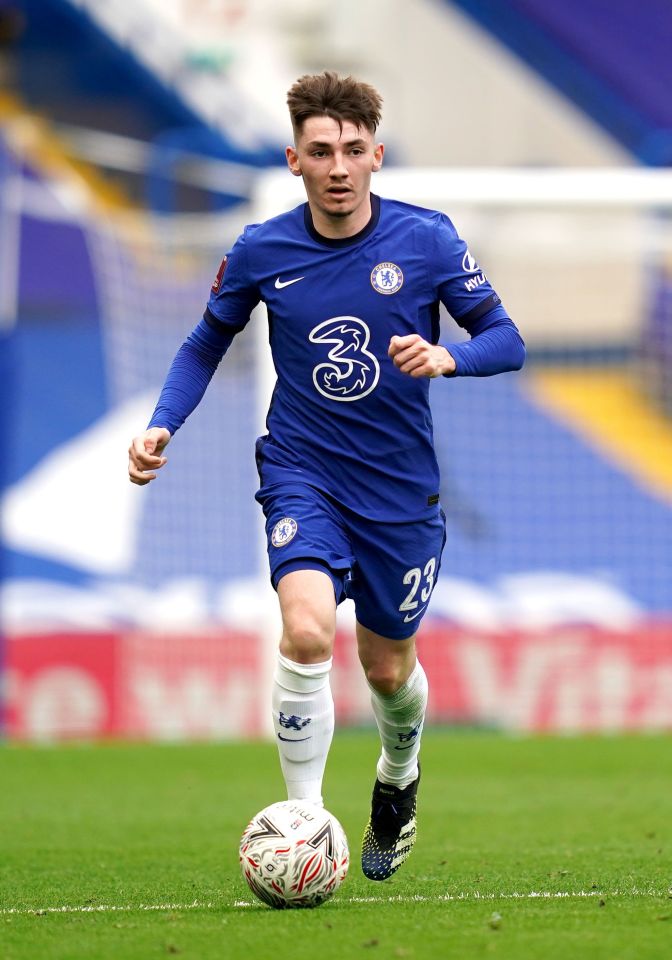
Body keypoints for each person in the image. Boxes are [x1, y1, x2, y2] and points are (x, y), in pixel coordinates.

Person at [128, 71, 525, 882]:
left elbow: (507, 337)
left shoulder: (427, 241)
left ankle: (398, 776)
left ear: (376, 156)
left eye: (352, 150)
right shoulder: (260, 250)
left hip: (398, 490)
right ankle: (305, 820)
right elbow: (207, 341)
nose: (338, 165)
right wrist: (165, 420)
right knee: (307, 630)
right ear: (294, 160)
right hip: (302, 469)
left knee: (387, 669)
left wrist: (451, 355)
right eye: (321, 152)